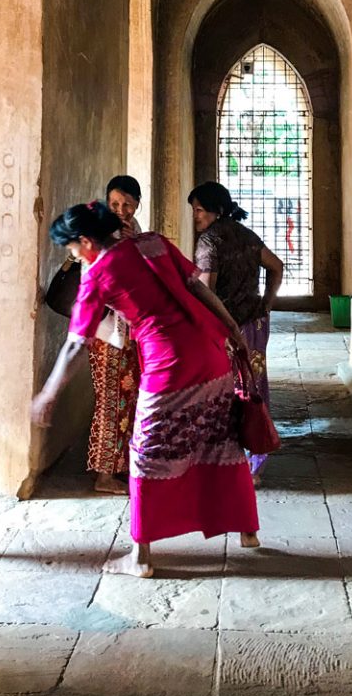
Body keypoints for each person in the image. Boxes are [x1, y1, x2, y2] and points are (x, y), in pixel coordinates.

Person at [31, 202, 260, 578]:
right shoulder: (153, 243)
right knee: (219, 436)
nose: (73, 254)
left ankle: (140, 555)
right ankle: (247, 528)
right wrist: (232, 330)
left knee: (146, 453)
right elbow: (197, 288)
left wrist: (49, 392)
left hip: (168, 365)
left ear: (86, 241)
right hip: (209, 351)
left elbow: (76, 344)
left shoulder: (98, 274)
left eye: (71, 248)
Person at [188, 181, 284, 484]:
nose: (196, 217)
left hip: (226, 328)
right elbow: (277, 267)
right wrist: (267, 304)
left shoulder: (209, 242)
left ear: (215, 210)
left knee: (225, 392)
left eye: (200, 210)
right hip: (255, 325)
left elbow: (206, 291)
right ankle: (257, 462)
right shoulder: (247, 235)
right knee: (254, 389)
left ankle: (231, 461)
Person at [84, 175, 144, 494]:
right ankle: (103, 475)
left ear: (137, 204)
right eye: (115, 204)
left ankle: (119, 466)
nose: (121, 210)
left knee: (128, 398)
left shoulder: (135, 234)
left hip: (130, 331)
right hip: (106, 333)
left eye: (127, 204)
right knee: (109, 400)